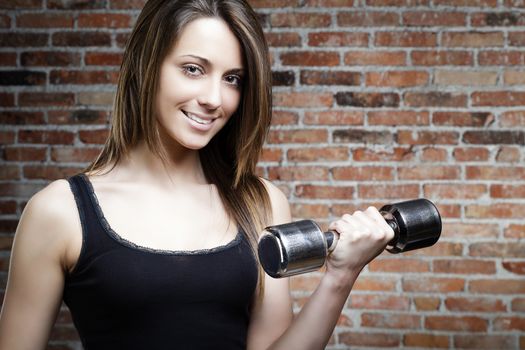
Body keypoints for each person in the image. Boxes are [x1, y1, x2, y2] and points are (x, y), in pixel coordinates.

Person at [0, 0, 394, 349]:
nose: (214, 98)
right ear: (146, 64)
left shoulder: (261, 203)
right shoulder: (59, 211)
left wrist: (339, 276)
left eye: (232, 79)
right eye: (193, 69)